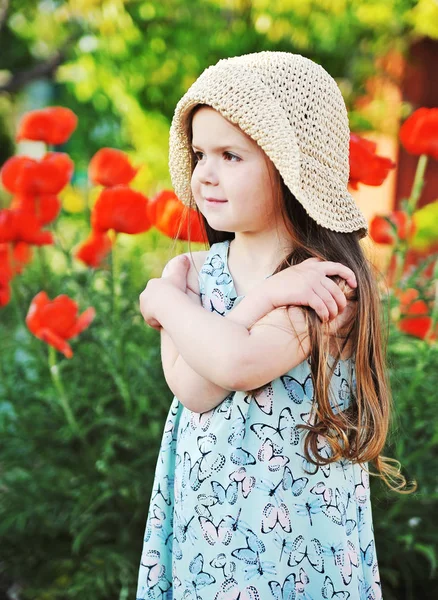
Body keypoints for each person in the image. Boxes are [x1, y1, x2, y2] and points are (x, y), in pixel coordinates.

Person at [136, 51, 411, 600]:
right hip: (208, 531)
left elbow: (236, 365)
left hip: (301, 542)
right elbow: (194, 389)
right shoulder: (187, 274)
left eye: (231, 155)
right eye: (199, 154)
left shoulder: (325, 284)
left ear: (293, 168)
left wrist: (163, 304)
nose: (205, 174)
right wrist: (251, 301)